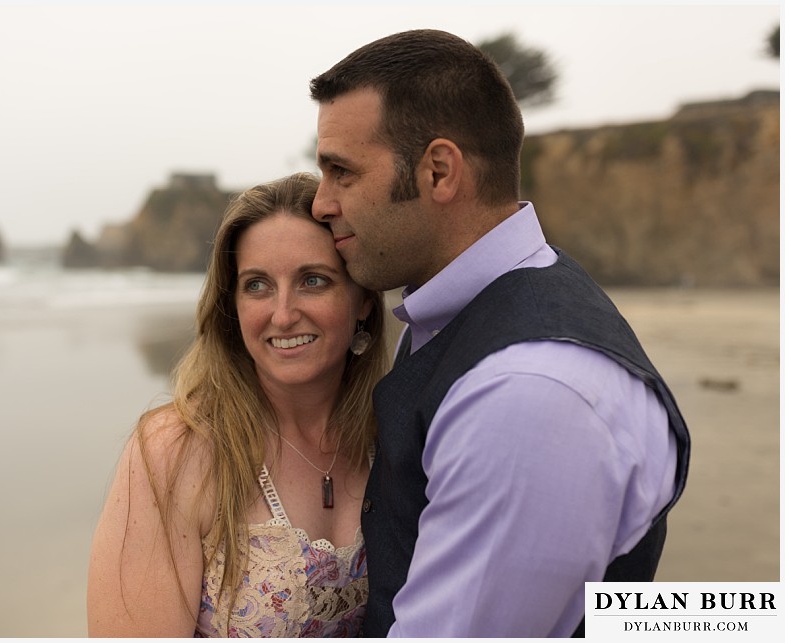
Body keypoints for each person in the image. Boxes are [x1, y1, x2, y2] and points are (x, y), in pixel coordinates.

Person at [309, 29, 691, 638]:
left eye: (341, 172)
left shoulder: (524, 397)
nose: (321, 203)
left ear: (438, 171)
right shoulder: (477, 305)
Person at [86, 172, 389, 637]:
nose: (283, 314)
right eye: (257, 285)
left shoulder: (395, 435)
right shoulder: (177, 452)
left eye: (313, 280)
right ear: (232, 304)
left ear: (363, 300)